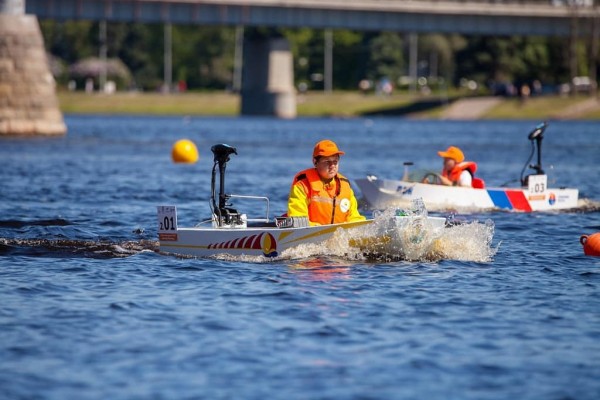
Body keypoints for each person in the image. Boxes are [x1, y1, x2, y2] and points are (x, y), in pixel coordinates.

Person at [287, 140, 366, 226]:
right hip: (309, 233)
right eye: (327, 162)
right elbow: (297, 218)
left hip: (336, 235)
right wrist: (316, 228)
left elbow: (354, 217)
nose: (332, 166)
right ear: (315, 162)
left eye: (335, 162)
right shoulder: (302, 186)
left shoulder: (345, 187)